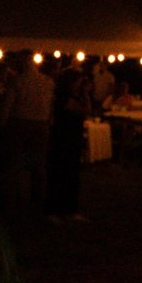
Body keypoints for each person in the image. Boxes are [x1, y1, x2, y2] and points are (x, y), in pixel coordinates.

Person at [7, 54, 55, 206]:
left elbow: (7, 105)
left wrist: (2, 124)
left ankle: (11, 198)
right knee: (38, 165)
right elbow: (51, 105)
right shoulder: (48, 82)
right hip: (41, 124)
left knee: (14, 162)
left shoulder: (17, 81)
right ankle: (37, 200)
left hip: (20, 122)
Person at [43, 64, 89, 218]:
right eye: (77, 81)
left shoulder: (76, 96)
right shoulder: (61, 96)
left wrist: (85, 95)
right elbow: (80, 110)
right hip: (62, 139)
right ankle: (53, 210)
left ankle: (70, 209)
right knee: (58, 175)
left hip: (73, 139)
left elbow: (86, 111)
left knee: (72, 175)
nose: (79, 85)